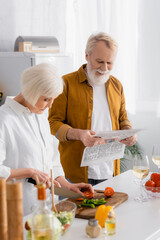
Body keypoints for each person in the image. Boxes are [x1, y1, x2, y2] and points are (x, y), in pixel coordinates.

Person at [0, 63, 93, 216]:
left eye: (53, 100)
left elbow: (52, 161)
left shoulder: (40, 116)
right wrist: (28, 172)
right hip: (19, 211)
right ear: (31, 91)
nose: (50, 106)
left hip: (49, 207)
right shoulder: (4, 119)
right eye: (46, 99)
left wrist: (67, 186)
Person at [48, 32, 136, 185]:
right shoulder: (65, 83)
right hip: (74, 175)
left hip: (110, 172)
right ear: (87, 55)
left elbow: (122, 118)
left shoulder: (117, 85)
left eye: (110, 63)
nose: (104, 68)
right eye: (99, 61)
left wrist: (128, 131)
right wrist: (79, 134)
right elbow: (53, 124)